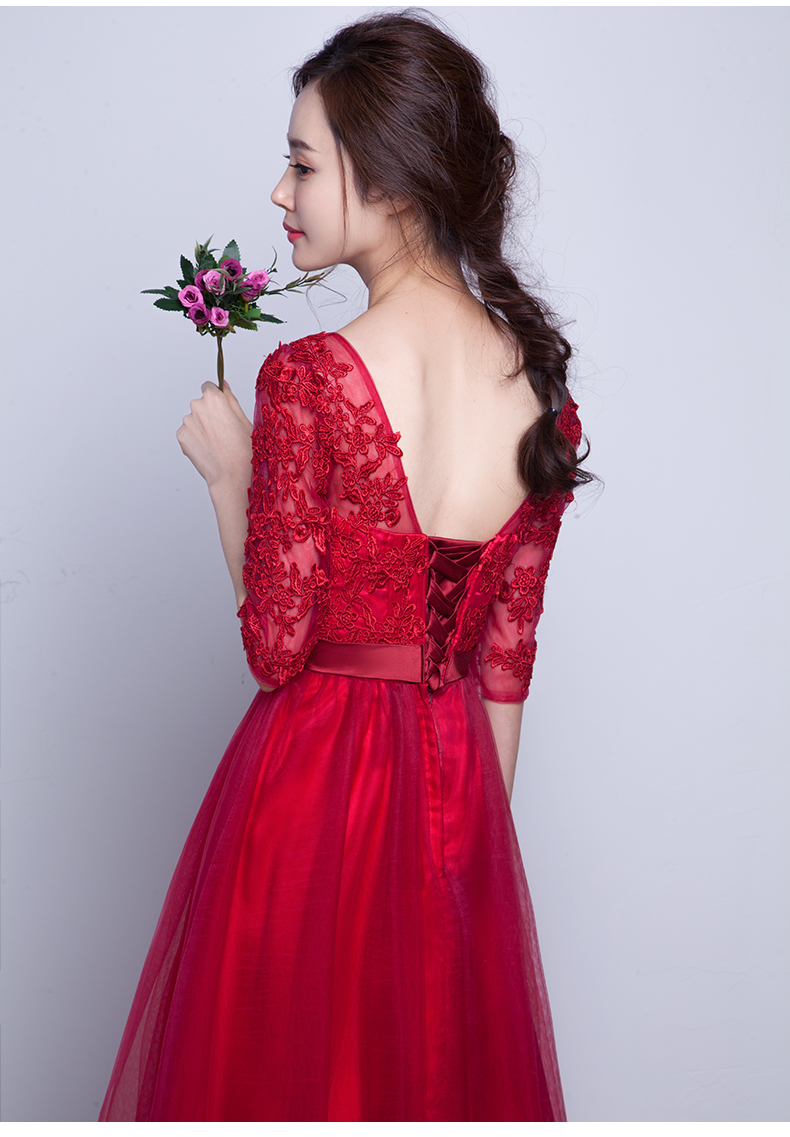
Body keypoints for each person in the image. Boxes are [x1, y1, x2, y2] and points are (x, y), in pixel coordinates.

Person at [100, 11, 591, 1122]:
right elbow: (505, 663)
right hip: (457, 797)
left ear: (394, 177)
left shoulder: (311, 376)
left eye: (303, 164)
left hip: (313, 786)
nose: (279, 192)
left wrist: (229, 478)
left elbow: (277, 648)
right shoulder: (542, 397)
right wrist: (471, 866)